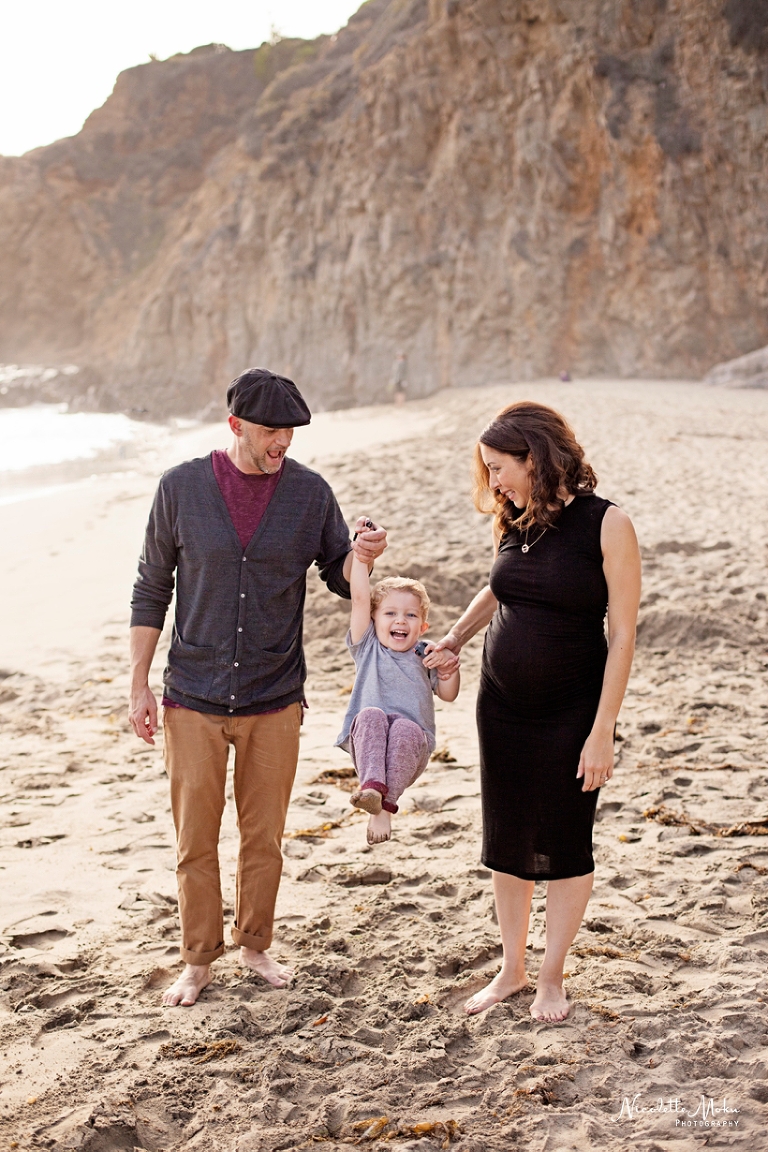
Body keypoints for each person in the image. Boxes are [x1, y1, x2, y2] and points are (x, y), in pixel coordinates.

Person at [128, 367, 387, 1008]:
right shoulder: (181, 487)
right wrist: (138, 684)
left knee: (263, 834)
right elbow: (151, 586)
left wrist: (364, 558)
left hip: (275, 694)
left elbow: (337, 572)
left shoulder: (308, 494)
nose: (283, 444)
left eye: (292, 433)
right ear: (236, 425)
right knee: (195, 841)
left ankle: (253, 944)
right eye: (273, 431)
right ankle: (197, 959)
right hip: (191, 694)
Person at [427, 401, 640, 1023]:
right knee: (508, 839)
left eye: (500, 468)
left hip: (574, 710)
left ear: (535, 457)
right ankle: (512, 970)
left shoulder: (608, 524)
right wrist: (456, 640)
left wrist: (603, 732)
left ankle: (551, 977)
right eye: (488, 470)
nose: (493, 481)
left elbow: (623, 635)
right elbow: (500, 586)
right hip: (502, 708)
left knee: (566, 844)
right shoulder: (514, 519)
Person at [335, 549, 460, 844]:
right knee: (371, 714)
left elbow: (449, 695)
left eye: (411, 615)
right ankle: (373, 793)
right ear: (373, 619)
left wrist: (447, 671)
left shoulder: (426, 653)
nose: (400, 621)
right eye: (390, 613)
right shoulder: (367, 647)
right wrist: (363, 556)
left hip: (410, 747)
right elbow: (360, 598)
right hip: (369, 744)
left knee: (404, 726)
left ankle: (384, 804)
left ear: (423, 626)